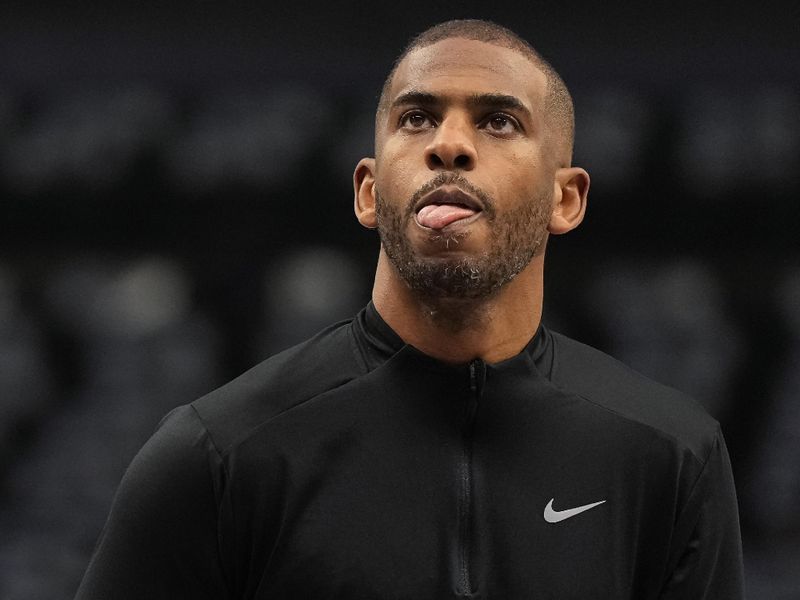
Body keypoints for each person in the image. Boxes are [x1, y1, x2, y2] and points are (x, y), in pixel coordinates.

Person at [76, 19, 744, 599]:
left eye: (499, 121)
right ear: (368, 192)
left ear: (564, 199)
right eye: (416, 117)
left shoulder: (671, 456)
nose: (449, 144)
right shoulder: (216, 457)